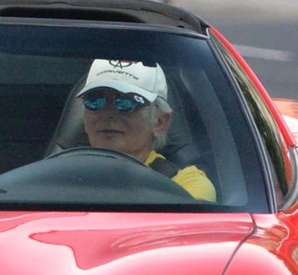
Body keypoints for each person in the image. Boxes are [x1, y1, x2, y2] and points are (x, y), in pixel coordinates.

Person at [70, 59, 213, 200]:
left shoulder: (185, 186)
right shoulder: (60, 176)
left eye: (126, 103)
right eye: (95, 101)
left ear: (159, 122)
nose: (108, 114)